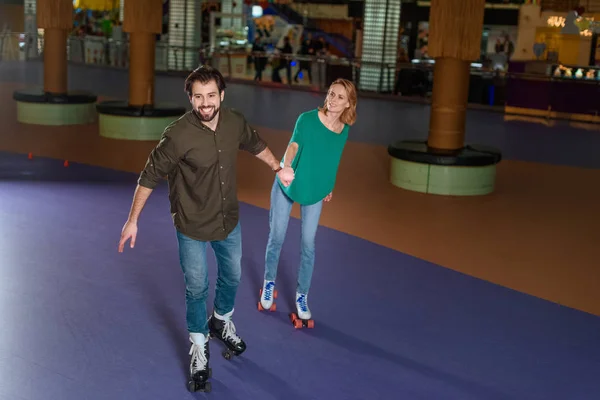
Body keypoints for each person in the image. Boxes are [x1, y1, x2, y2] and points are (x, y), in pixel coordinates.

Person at [117, 65, 294, 391]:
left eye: (211, 95)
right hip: (192, 224)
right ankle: (199, 345)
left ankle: (221, 321)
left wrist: (278, 168)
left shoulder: (235, 122)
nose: (205, 102)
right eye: (198, 97)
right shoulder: (177, 135)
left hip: (228, 220)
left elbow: (256, 144)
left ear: (221, 96)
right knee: (196, 287)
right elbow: (149, 176)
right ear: (191, 98)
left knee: (233, 276)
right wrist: (133, 220)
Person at [259, 78, 357, 325]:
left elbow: (332, 159)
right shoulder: (307, 119)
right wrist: (287, 167)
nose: (333, 99)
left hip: (315, 189)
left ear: (348, 104)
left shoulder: (343, 131)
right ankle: (268, 283)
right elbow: (293, 145)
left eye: (340, 97)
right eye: (331, 93)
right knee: (277, 236)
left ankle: (302, 296)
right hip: (288, 182)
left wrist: (328, 185)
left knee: (308, 244)